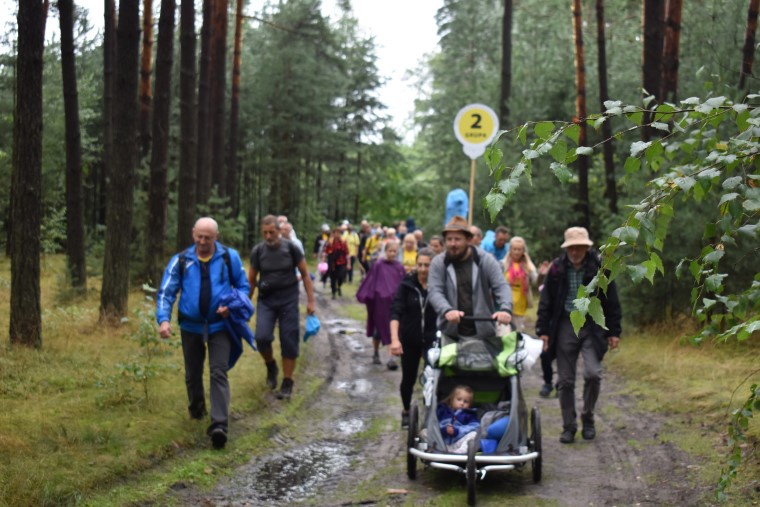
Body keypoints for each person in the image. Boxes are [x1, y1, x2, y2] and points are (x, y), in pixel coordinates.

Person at [156, 217, 250, 449]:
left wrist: (232, 306)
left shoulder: (229, 257)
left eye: (208, 237)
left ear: (216, 237)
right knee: (193, 374)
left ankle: (219, 425)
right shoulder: (181, 260)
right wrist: (164, 320)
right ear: (193, 234)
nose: (203, 241)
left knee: (218, 372)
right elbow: (166, 292)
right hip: (191, 326)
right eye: (199, 236)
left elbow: (244, 287)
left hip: (220, 325)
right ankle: (197, 412)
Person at [535, 227, 622, 444]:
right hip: (565, 323)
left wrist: (614, 332)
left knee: (593, 373)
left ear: (587, 247)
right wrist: (543, 331)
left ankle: (588, 417)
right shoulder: (556, 269)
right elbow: (545, 302)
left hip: (592, 325)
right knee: (565, 380)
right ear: (567, 248)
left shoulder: (599, 267)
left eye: (580, 247)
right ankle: (569, 426)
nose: (575, 251)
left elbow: (611, 301)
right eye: (572, 247)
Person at [249, 215, 317, 400]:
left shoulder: (292, 248)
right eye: (265, 233)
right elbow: (251, 280)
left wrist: (311, 302)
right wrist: (246, 304)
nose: (269, 236)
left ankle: (287, 382)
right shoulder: (258, 251)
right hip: (266, 300)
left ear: (279, 231)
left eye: (272, 232)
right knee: (261, 337)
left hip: (288, 300)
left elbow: (305, 274)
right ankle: (271, 365)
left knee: (289, 340)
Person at [428, 216, 513, 342]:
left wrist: (505, 309)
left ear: (468, 239)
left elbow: (501, 286)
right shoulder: (439, 263)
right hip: (450, 333)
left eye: (457, 239)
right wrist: (447, 310)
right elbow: (435, 291)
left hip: (483, 334)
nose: (453, 244)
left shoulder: (485, 260)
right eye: (449, 239)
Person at [389, 248, 438, 429]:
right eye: (420, 265)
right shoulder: (407, 285)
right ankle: (406, 411)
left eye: (427, 265)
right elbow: (395, 312)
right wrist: (395, 339)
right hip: (409, 340)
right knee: (408, 379)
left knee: (432, 377)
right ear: (416, 265)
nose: (424, 269)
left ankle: (429, 414)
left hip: (432, 341)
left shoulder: (438, 286)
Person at [357, 240, 406, 369]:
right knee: (378, 331)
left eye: (395, 251)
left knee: (394, 330)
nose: (392, 254)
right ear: (386, 251)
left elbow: (403, 284)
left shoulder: (399, 267)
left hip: (394, 304)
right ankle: (376, 352)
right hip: (380, 304)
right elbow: (371, 281)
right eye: (390, 251)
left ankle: (391, 358)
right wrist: (370, 295)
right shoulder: (378, 265)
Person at [503, 236, 538, 332]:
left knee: (517, 330)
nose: (517, 252)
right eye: (514, 249)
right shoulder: (503, 264)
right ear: (510, 250)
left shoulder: (528, 266)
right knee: (504, 330)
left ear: (523, 251)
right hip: (505, 301)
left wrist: (540, 273)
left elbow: (536, 281)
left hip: (520, 302)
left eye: (519, 249)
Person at [436, 385, 480, 454]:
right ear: (452, 400)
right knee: (425, 431)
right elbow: (436, 423)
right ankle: (433, 448)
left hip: (458, 443)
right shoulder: (443, 411)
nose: (462, 403)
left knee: (474, 434)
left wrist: (458, 431)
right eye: (459, 399)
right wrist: (444, 429)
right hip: (441, 443)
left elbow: (475, 426)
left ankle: (461, 451)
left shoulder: (469, 414)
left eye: (466, 402)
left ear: (470, 404)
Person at [323, 227, 349, 299]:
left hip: (342, 262)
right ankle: (333, 292)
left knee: (341, 276)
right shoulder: (330, 242)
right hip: (332, 263)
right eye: (336, 233)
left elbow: (347, 253)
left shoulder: (343, 242)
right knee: (333, 278)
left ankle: (339, 286)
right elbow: (325, 252)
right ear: (333, 234)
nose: (337, 234)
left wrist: (349, 263)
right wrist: (323, 260)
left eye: (339, 233)